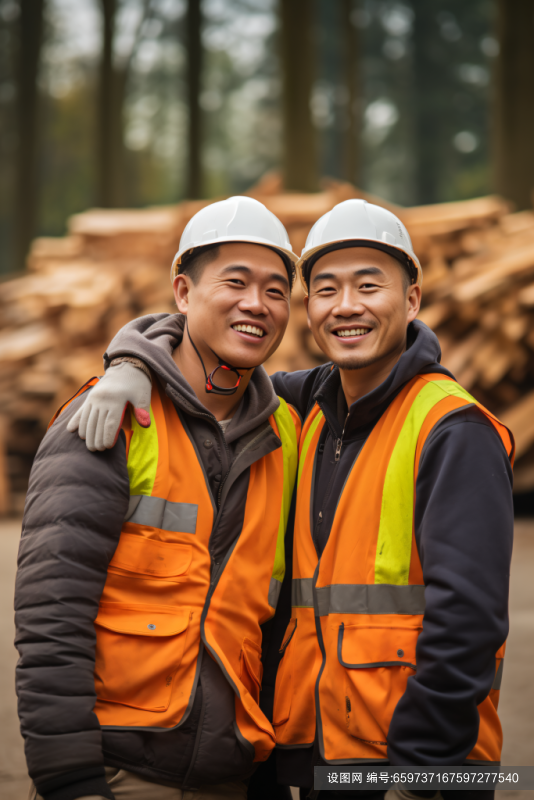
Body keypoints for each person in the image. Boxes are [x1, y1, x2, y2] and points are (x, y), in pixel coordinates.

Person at [68, 199, 514, 800]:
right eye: (325, 289)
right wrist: (132, 362)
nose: (346, 306)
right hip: (321, 756)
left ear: (411, 301)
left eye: (368, 285)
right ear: (309, 310)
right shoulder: (306, 409)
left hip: (416, 766)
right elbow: (202, 360)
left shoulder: (452, 430)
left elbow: (468, 625)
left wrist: (418, 774)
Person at [15, 196, 301, 800]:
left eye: (277, 291)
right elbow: (51, 620)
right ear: (182, 292)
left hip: (232, 775)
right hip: (122, 773)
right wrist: (69, 777)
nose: (258, 303)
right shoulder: (108, 419)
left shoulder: (287, 436)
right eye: (236, 281)